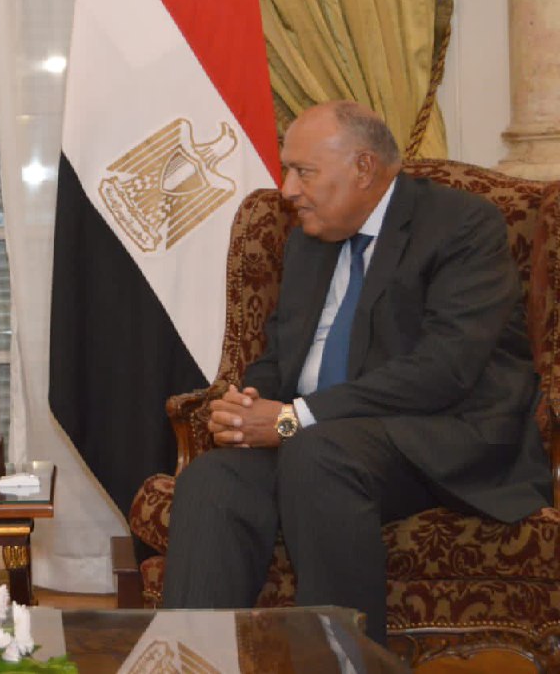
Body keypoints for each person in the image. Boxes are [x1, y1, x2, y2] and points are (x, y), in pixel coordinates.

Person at [161, 101, 550, 644]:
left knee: (318, 454)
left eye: (304, 172)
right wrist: (246, 406)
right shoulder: (307, 239)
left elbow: (444, 370)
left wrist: (292, 418)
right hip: (322, 441)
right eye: (287, 171)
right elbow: (281, 355)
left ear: (363, 168)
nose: (288, 190)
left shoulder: (461, 226)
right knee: (213, 478)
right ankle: (195, 660)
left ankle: (344, 661)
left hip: (436, 437)